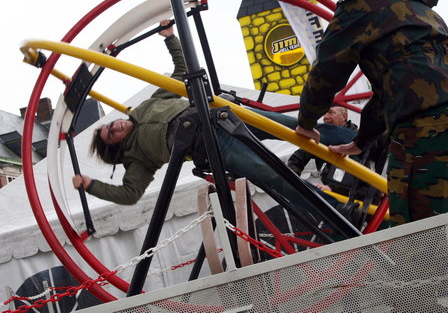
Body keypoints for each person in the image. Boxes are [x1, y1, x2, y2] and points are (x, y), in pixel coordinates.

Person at [72, 20, 357, 225]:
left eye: (111, 125)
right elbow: (129, 194)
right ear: (116, 146)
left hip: (220, 116)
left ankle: (358, 141)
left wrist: (170, 37)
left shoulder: (149, 104)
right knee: (274, 177)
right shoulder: (137, 160)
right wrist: (90, 185)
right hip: (212, 145)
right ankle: (336, 211)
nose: (115, 126)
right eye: (111, 134)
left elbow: (182, 71)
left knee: (291, 126)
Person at [295, 0, 448, 229]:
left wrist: (306, 120)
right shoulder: (421, 8)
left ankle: (422, 273)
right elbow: (394, 86)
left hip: (427, 123)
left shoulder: (358, 6)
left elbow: (327, 72)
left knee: (417, 231)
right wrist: (361, 141)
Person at [287, 106, 357, 177]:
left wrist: (331, 187)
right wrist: (290, 180)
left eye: (331, 112)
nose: (325, 117)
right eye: (324, 113)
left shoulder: (357, 140)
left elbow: (357, 172)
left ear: (344, 116)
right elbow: (297, 159)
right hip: (323, 185)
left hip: (346, 186)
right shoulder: (319, 136)